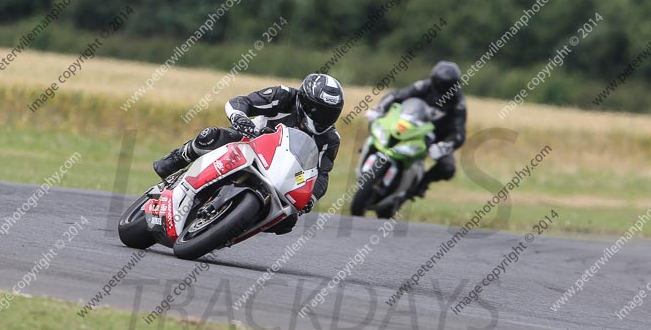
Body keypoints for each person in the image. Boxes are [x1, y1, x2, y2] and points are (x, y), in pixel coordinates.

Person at [153, 73, 344, 234]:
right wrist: (240, 117)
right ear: (304, 101)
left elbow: (322, 175)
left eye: (330, 113)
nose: (323, 117)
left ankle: (232, 229)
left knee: (288, 220)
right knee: (211, 136)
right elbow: (241, 102)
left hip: (279, 174)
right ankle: (178, 157)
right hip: (249, 142)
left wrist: (310, 198)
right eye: (318, 110)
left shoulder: (330, 139)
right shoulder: (283, 96)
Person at [366, 60, 466, 198]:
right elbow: (396, 95)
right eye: (440, 83)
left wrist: (445, 145)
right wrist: (379, 109)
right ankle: (370, 156)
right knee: (377, 127)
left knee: (448, 168)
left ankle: (420, 185)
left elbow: (459, 134)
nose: (443, 88)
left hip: (436, 138)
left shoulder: (458, 103)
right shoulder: (423, 86)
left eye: (447, 85)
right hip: (410, 126)